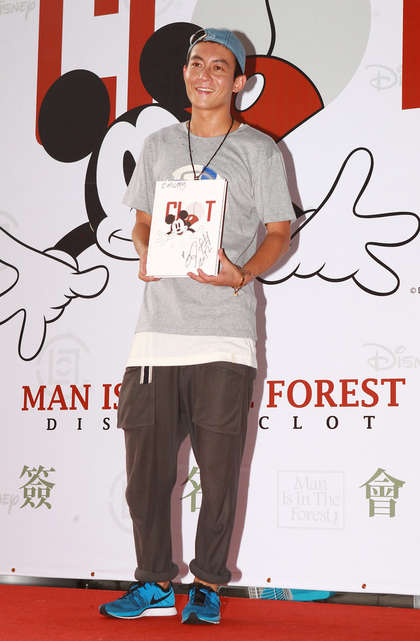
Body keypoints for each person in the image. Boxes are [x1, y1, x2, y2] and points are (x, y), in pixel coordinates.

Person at [99, 27, 295, 625]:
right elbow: (141, 221)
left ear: (240, 83)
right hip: (156, 335)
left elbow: (279, 233)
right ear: (184, 74)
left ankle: (208, 584)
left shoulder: (260, 151)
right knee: (146, 476)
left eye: (218, 66)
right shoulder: (159, 144)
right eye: (195, 63)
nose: (203, 73)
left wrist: (242, 274)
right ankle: (155, 582)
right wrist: (145, 250)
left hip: (224, 336)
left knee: (219, 473)